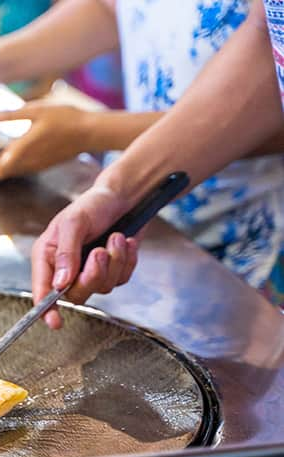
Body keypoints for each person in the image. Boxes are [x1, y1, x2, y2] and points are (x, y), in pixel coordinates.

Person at [0, 0, 284, 312]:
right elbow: (111, 7)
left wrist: (92, 133)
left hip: (260, 246)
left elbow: (271, 74)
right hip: (159, 224)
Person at [29, 3, 284, 327]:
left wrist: (90, 132)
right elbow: (267, 35)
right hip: (179, 248)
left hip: (259, 240)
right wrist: (117, 191)